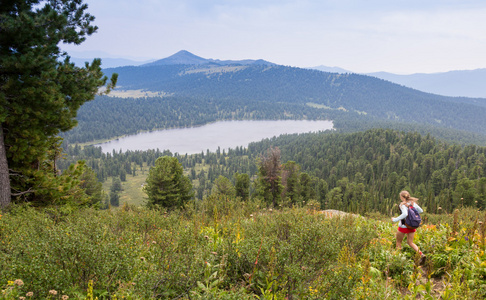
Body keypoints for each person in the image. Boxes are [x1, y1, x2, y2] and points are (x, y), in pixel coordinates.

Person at [391, 190, 426, 262]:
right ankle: (421, 254)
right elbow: (421, 211)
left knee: (398, 242)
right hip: (412, 226)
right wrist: (412, 209)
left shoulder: (402, 204)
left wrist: (395, 219)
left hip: (404, 226)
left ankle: (398, 259)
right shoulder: (413, 203)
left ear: (402, 197)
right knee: (410, 243)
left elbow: (405, 214)